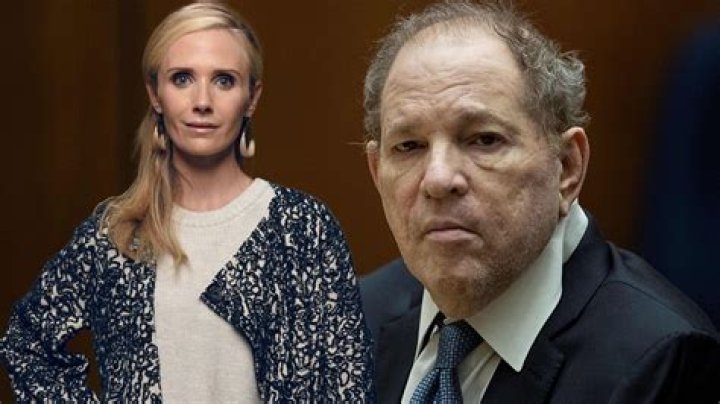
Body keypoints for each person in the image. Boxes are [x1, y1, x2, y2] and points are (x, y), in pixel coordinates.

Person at [0, 2, 373, 402]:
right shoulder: (116, 235)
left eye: (224, 80)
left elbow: (348, 383)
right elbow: (26, 342)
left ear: (252, 98)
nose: (202, 101)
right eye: (182, 78)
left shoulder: (303, 228)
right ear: (155, 94)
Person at [360, 1, 720, 403]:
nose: (439, 179)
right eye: (409, 146)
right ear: (376, 172)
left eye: (484, 140)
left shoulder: (662, 362)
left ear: (567, 167)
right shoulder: (347, 318)